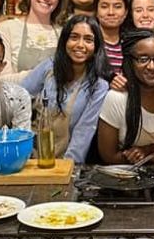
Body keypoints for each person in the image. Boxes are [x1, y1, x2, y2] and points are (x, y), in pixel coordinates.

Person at [21, 15, 110, 164]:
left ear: (96, 47)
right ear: (65, 41)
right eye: (74, 37)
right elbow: (19, 98)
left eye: (88, 40)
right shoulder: (49, 67)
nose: (80, 45)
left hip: (66, 161)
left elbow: (84, 131)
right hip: (30, 157)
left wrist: (68, 168)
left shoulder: (99, 86)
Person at [97, 30, 154, 165]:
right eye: (143, 59)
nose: (152, 66)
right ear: (130, 61)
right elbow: (108, 157)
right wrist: (153, 159)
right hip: (124, 180)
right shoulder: (116, 98)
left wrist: (147, 150)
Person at [0, 0, 65, 83]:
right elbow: (2, 79)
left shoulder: (63, 32)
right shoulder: (7, 28)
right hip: (18, 98)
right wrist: (43, 73)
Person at [95, 0, 129, 77]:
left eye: (117, 7)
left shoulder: (130, 43)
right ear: (96, 11)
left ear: (126, 12)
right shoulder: (90, 42)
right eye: (104, 7)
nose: (111, 12)